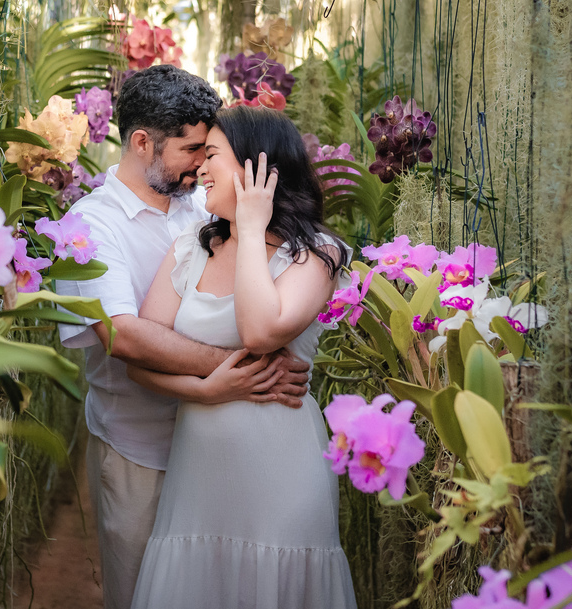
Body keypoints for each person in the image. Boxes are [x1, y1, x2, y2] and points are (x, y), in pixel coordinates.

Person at [54, 66, 311, 609]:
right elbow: (123, 336)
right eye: (192, 149)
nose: (203, 162)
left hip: (225, 447)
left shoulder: (205, 209)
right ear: (142, 142)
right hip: (140, 448)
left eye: (208, 149)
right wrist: (244, 367)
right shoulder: (91, 226)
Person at [128, 106, 358, 609]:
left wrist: (252, 230)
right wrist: (206, 390)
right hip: (199, 474)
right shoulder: (191, 247)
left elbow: (260, 332)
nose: (201, 170)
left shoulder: (317, 253)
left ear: (258, 168)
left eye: (212, 156)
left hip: (283, 471)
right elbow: (142, 354)